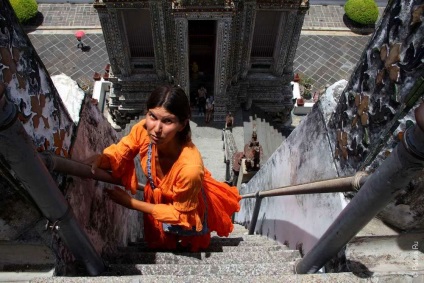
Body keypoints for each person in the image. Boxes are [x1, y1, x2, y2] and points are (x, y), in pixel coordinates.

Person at [87, 85, 241, 252]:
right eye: (152, 116)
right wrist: (102, 160)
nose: (156, 129)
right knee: (162, 242)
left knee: (187, 240)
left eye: (168, 121)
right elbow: (121, 153)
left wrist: (131, 203)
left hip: (186, 205)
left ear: (182, 125)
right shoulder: (143, 130)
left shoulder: (190, 168)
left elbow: (181, 214)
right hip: (158, 201)